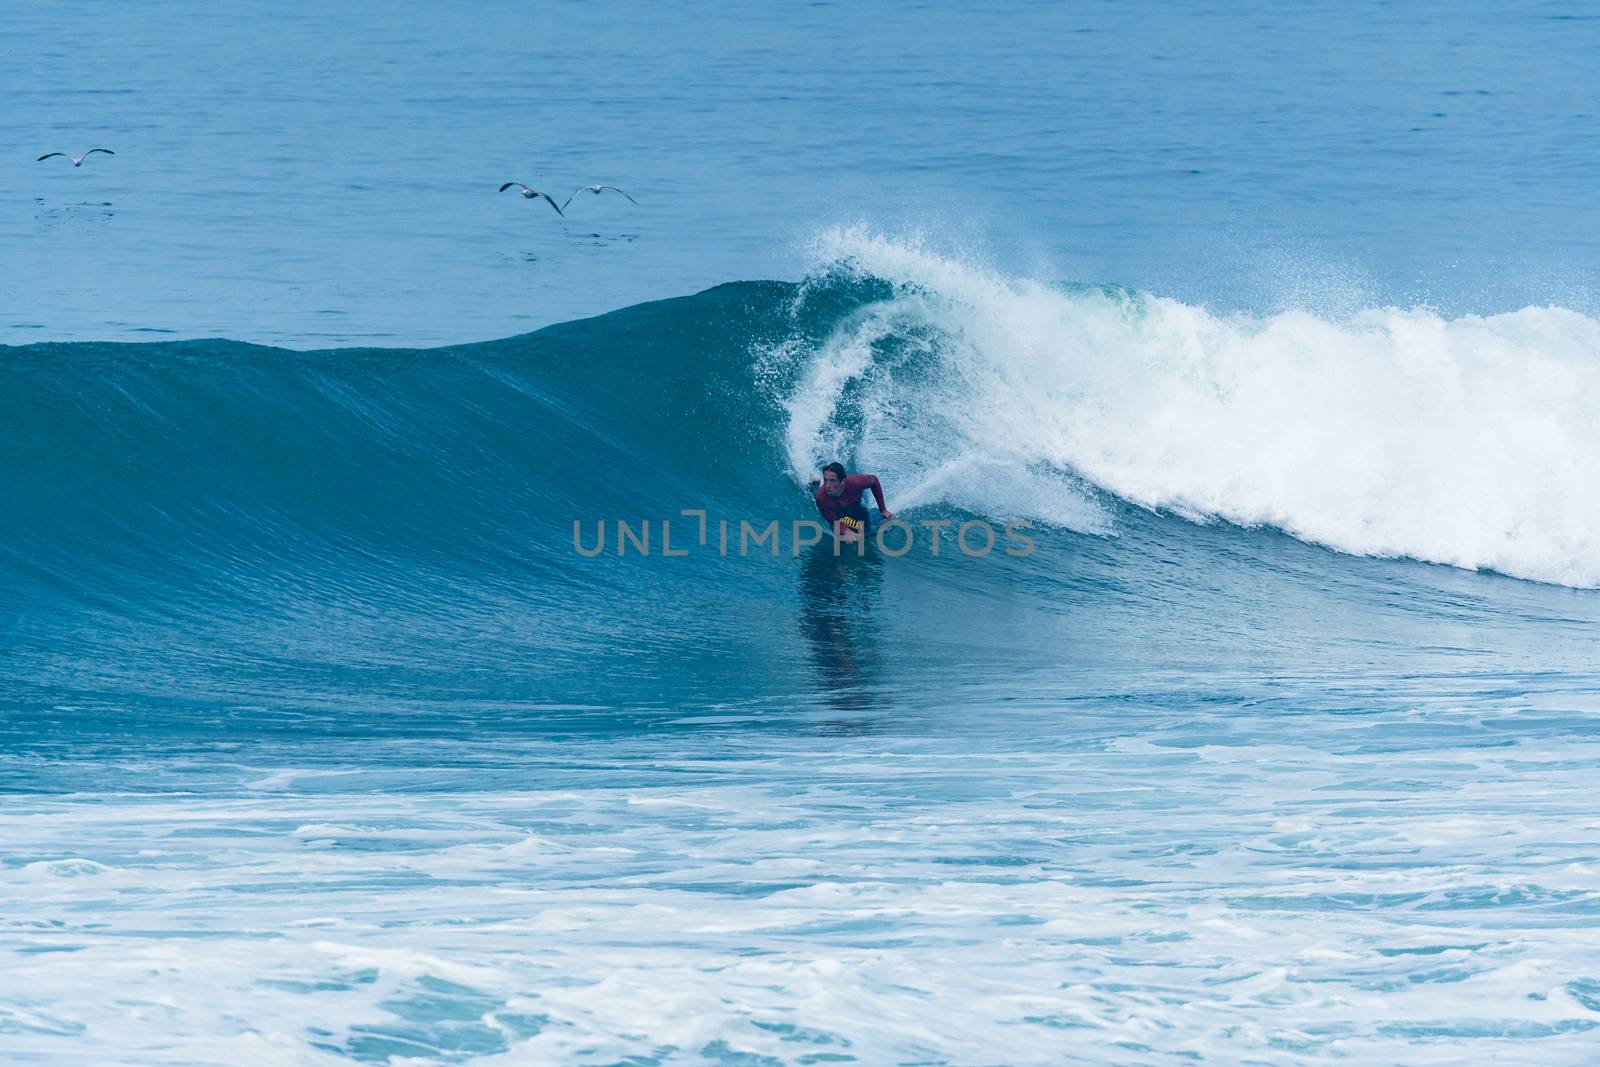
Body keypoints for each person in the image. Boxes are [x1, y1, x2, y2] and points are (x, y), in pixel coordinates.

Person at [810, 462, 894, 542]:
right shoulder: (821, 497)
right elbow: (834, 521)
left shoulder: (855, 482)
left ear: (842, 481)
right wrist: (847, 531)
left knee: (864, 529)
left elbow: (874, 481)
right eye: (825, 480)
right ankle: (815, 484)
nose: (828, 485)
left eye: (832, 481)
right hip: (836, 511)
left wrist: (883, 510)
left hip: (853, 505)